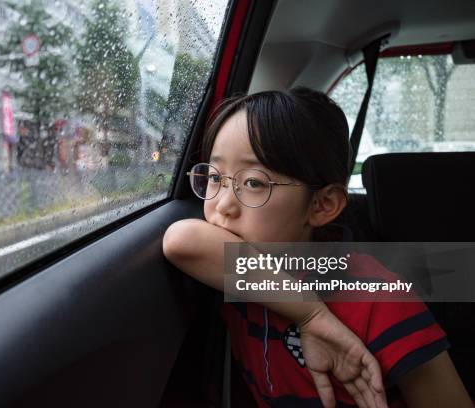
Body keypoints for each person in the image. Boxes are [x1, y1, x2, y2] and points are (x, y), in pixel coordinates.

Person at [162, 88, 471, 407]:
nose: (222, 205)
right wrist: (311, 315)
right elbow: (180, 240)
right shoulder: (232, 276)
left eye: (253, 183)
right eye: (215, 177)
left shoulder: (378, 299)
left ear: (322, 205)